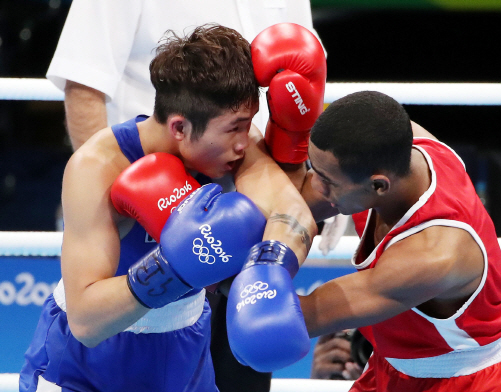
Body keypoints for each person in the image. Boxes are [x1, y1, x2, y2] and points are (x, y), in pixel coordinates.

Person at [19, 24, 319, 392]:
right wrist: (171, 268)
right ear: (180, 126)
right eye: (235, 128)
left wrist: (270, 264)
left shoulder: (232, 147)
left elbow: (293, 215)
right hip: (88, 366)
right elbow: (86, 322)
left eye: (249, 124)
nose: (246, 142)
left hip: (184, 349)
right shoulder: (97, 168)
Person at [229, 90, 501, 390]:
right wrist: (242, 135)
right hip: (396, 366)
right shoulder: (394, 151)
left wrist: (206, 270)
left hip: (472, 381)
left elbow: (287, 316)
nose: (315, 187)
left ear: (379, 185)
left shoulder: (434, 256)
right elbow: (290, 203)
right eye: (315, 170)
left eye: (329, 181)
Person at [46, 0, 322, 151]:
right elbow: (84, 85)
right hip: (154, 182)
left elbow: (306, 73)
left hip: (257, 181)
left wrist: (317, 167)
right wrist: (102, 190)